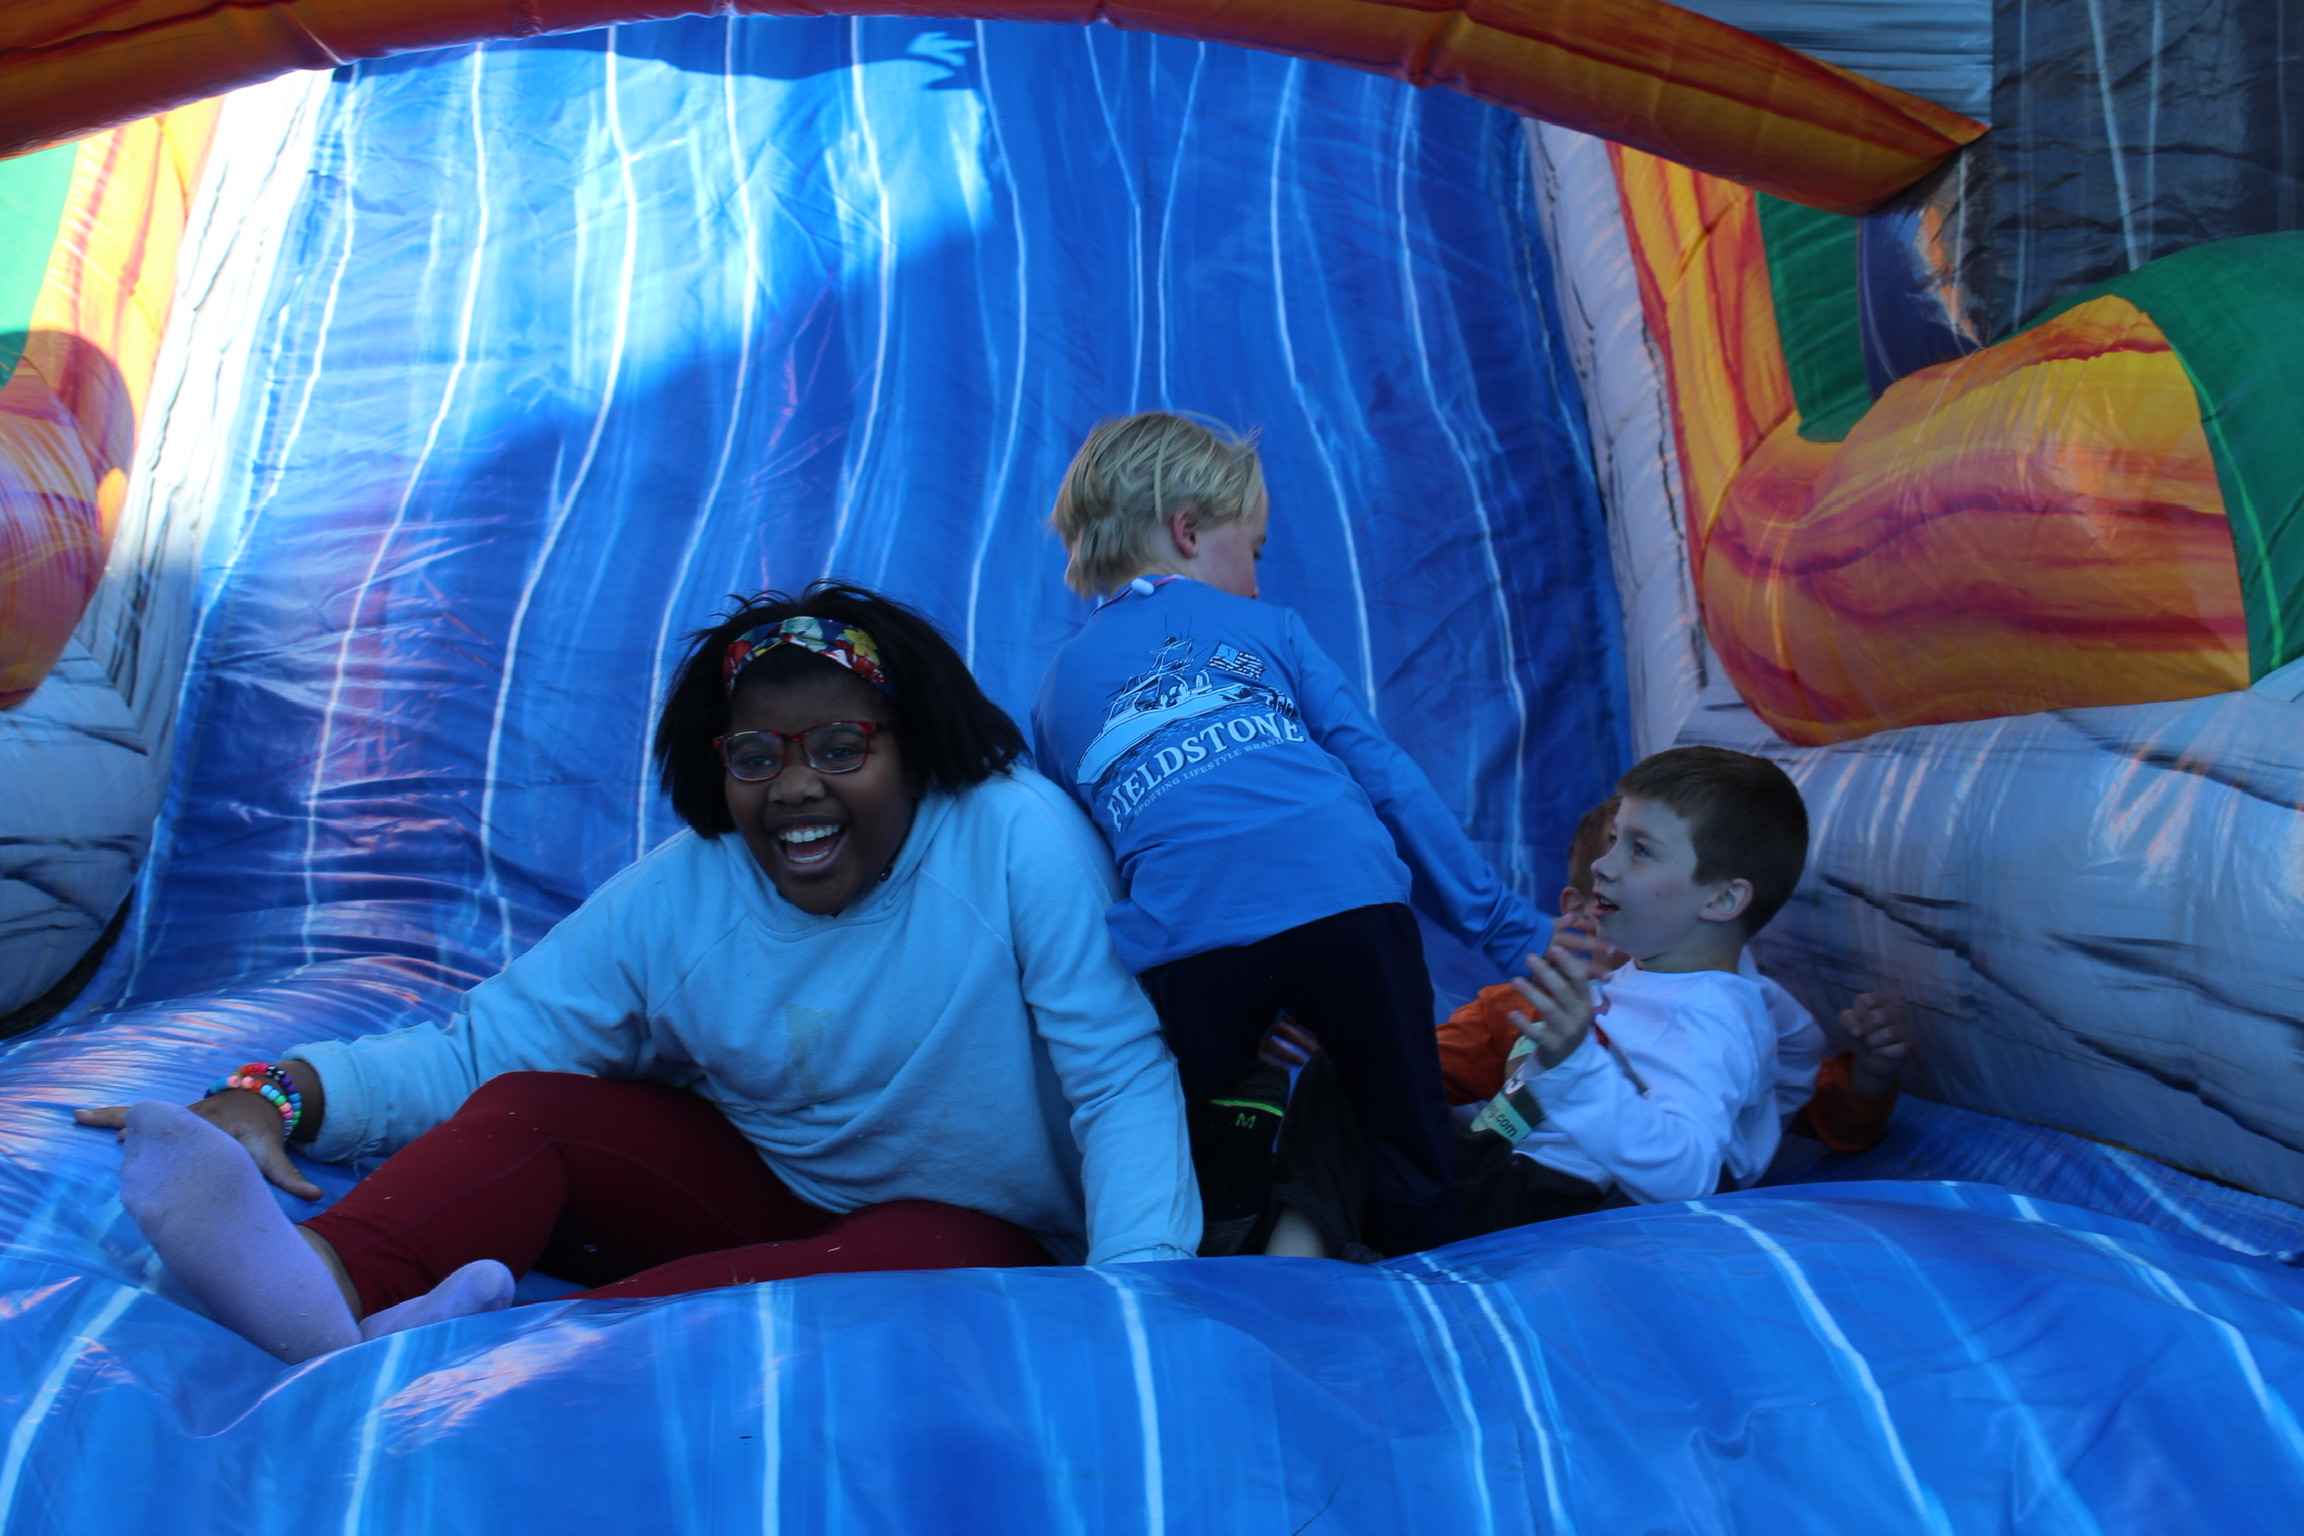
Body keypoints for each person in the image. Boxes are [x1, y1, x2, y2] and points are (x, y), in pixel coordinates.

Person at [79, 582, 1200, 1363]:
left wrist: (1135, 1306)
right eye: (757, 758)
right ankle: (317, 1289)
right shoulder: (690, 890)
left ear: (911, 748)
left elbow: (1116, 1077)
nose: (796, 790)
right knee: (532, 1112)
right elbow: (486, 1047)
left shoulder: (1016, 840)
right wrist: (282, 1092)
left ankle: (501, 1360)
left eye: (842, 750)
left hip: (988, 1235)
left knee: (908, 1262)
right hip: (766, 1191)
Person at [1031, 411, 1551, 1256]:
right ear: (1188, 530)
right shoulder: (1270, 631)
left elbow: (1087, 864)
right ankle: (1431, 1279)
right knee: (1404, 1129)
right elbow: (1384, 775)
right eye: (1256, 550)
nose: (1259, 579)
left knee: (1208, 1140)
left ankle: (1239, 1252)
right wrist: (1504, 925)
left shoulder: (1059, 688)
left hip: (1194, 945)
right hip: (1348, 900)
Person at [1454, 747, 1810, 1232]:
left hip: (1546, 1202)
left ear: (1723, 898)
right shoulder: (1680, 978)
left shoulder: (1708, 1015)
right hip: (1499, 1161)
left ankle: (1316, 1248)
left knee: (1339, 1118)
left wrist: (1575, 1066)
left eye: (1639, 849)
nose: (1604, 865)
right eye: (1615, 840)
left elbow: (1688, 1178)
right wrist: (1766, 1116)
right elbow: (1801, 1039)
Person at [1434, 796, 1908, 1157]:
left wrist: (1870, 1075)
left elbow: (1815, 1116)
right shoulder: (1517, 1011)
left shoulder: (1733, 1013)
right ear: (1580, 915)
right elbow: (1407, 1079)